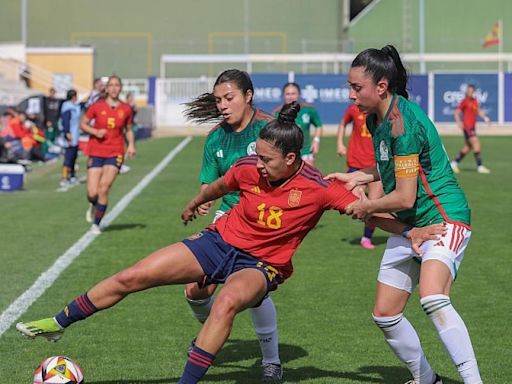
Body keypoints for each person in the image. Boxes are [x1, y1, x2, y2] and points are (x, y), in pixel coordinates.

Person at [16, 102, 445, 384]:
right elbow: (218, 186)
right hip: (217, 242)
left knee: (224, 304)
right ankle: (59, 322)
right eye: (256, 155)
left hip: (261, 266)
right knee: (134, 275)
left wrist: (410, 232)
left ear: (292, 160)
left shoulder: (317, 187)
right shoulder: (247, 168)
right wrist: (193, 203)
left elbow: (365, 209)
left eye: (267, 159)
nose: (257, 163)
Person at [328, 45, 482, 384]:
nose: (351, 95)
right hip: (412, 224)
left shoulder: (402, 124)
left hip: (444, 217)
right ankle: (427, 379)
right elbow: (397, 169)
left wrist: (365, 206)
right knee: (385, 314)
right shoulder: (377, 118)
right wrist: (359, 176)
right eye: (349, 86)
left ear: (381, 86)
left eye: (357, 87)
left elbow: (404, 193)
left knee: (433, 296)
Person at [183, 68, 282, 382]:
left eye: (229, 98)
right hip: (227, 218)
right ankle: (213, 332)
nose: (222, 105)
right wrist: (204, 200)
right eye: (218, 100)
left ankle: (272, 362)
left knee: (253, 292)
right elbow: (208, 184)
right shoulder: (215, 137)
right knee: (195, 289)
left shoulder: (268, 129)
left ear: (248, 96)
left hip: (265, 222)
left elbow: (295, 171)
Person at [80, 75, 136, 234]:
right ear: (106, 88)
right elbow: (83, 124)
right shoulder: (97, 106)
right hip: (96, 150)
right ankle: (93, 204)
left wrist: (131, 145)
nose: (114, 88)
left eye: (117, 85)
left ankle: (96, 224)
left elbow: (129, 129)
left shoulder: (126, 109)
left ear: (121, 88)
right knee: (92, 193)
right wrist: (95, 131)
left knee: (104, 188)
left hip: (115, 151)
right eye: (111, 85)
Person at [337, 103, 383, 250]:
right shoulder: (353, 109)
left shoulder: (380, 110)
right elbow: (343, 123)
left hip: (376, 165)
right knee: (351, 202)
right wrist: (339, 144)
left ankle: (366, 237)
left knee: (373, 205)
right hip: (356, 162)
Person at [272, 82, 322, 166]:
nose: (291, 96)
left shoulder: (309, 110)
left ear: (299, 94)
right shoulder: (277, 113)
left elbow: (318, 126)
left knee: (308, 178)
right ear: (283, 95)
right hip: (285, 155)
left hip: (306, 153)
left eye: (293, 93)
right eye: (288, 94)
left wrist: (316, 141)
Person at [450, 84, 491, 174]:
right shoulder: (465, 101)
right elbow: (456, 113)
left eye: (471, 91)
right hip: (467, 127)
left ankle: (453, 163)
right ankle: (480, 166)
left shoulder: (475, 101)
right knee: (477, 144)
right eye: (468, 91)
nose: (469, 93)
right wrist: (459, 123)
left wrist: (485, 118)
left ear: (474, 92)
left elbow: (479, 111)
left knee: (468, 147)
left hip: (472, 127)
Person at [59, 89, 82, 188]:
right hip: (70, 136)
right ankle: (65, 178)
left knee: (73, 157)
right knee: (68, 158)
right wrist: (67, 133)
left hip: (75, 135)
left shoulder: (75, 106)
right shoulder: (67, 107)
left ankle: (72, 176)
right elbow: (65, 121)